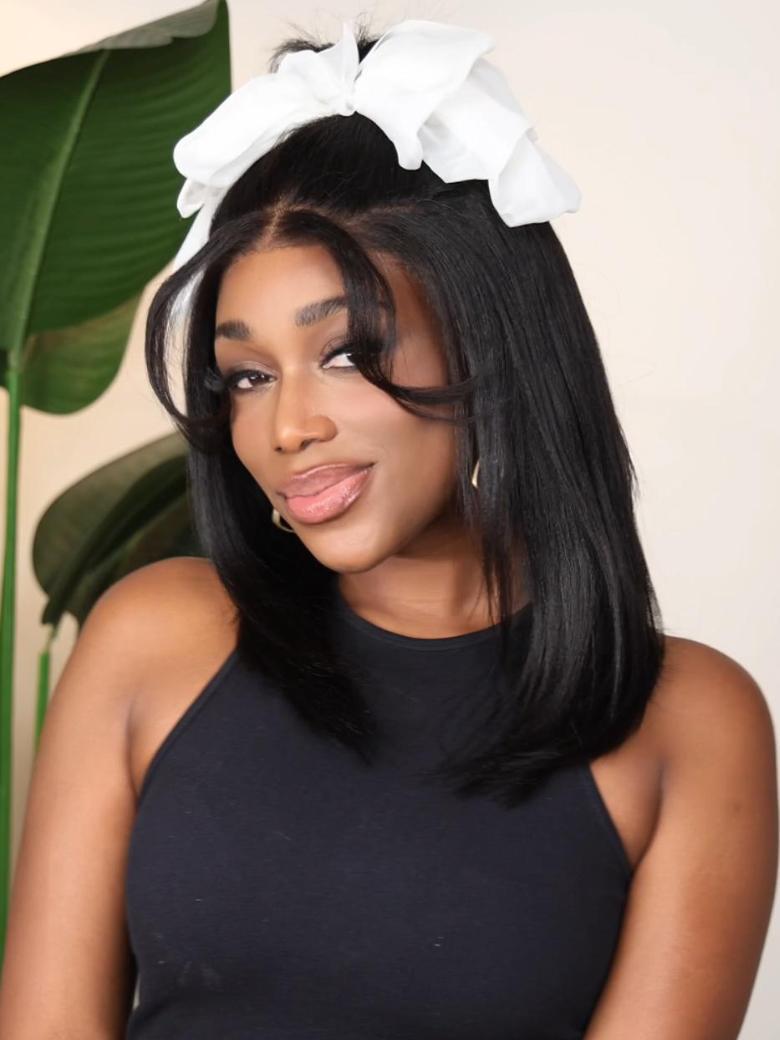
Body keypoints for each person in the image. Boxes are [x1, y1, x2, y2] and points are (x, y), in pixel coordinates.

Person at [0, 15, 777, 1040]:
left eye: (345, 353)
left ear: (488, 343)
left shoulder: (689, 723)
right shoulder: (153, 639)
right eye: (247, 375)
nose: (288, 427)